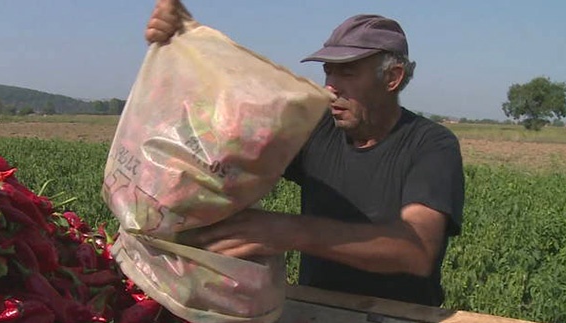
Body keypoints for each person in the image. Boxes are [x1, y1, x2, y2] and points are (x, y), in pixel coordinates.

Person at [145, 0, 465, 306]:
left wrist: (291, 230)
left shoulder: (431, 146)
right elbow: (234, 130)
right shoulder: (317, 130)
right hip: (320, 312)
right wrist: (185, 43)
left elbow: (417, 250)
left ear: (392, 78)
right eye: (329, 72)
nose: (330, 87)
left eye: (348, 73)